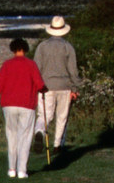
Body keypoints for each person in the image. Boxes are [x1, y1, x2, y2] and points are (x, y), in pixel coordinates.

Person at [0, 37, 47, 178]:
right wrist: (44, 89)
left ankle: (11, 169)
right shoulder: (31, 65)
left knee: (11, 136)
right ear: (25, 49)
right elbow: (39, 84)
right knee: (24, 137)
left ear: (13, 49)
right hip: (27, 105)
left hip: (8, 104)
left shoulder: (7, 65)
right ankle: (21, 171)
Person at [33, 15, 81, 152]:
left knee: (44, 115)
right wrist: (75, 88)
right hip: (65, 86)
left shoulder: (42, 47)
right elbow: (73, 70)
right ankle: (57, 145)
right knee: (62, 116)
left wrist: (37, 86)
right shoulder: (68, 47)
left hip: (46, 86)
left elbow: (36, 68)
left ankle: (40, 132)